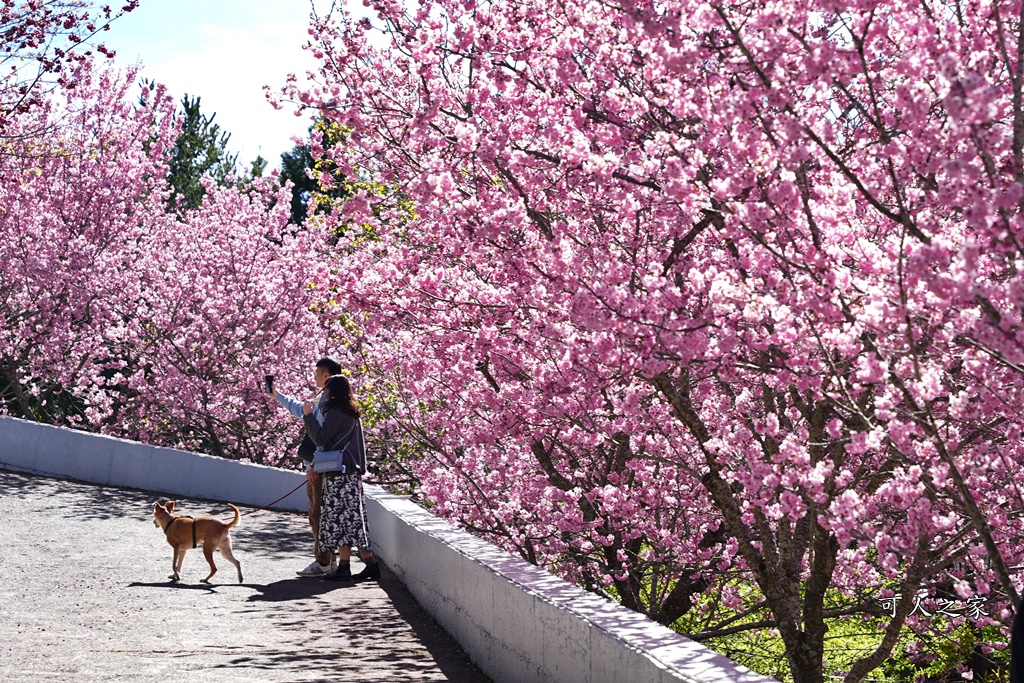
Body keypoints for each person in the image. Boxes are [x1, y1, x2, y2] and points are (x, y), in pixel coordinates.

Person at [268, 356, 342, 578]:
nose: (315, 377)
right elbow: (301, 409)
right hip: (326, 466)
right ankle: (330, 560)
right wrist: (278, 395)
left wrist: (314, 464)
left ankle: (322, 561)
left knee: (317, 513)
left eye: (318, 373)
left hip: (319, 467)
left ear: (327, 375)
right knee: (323, 513)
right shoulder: (329, 401)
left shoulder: (329, 404)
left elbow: (323, 437)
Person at [302, 374, 380, 582]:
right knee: (351, 520)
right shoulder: (352, 413)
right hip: (350, 473)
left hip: (340, 475)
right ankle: (370, 564)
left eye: (326, 391)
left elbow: (320, 437)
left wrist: (308, 415)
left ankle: (345, 567)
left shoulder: (336, 413)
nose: (324, 395)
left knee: (341, 520)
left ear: (333, 392)